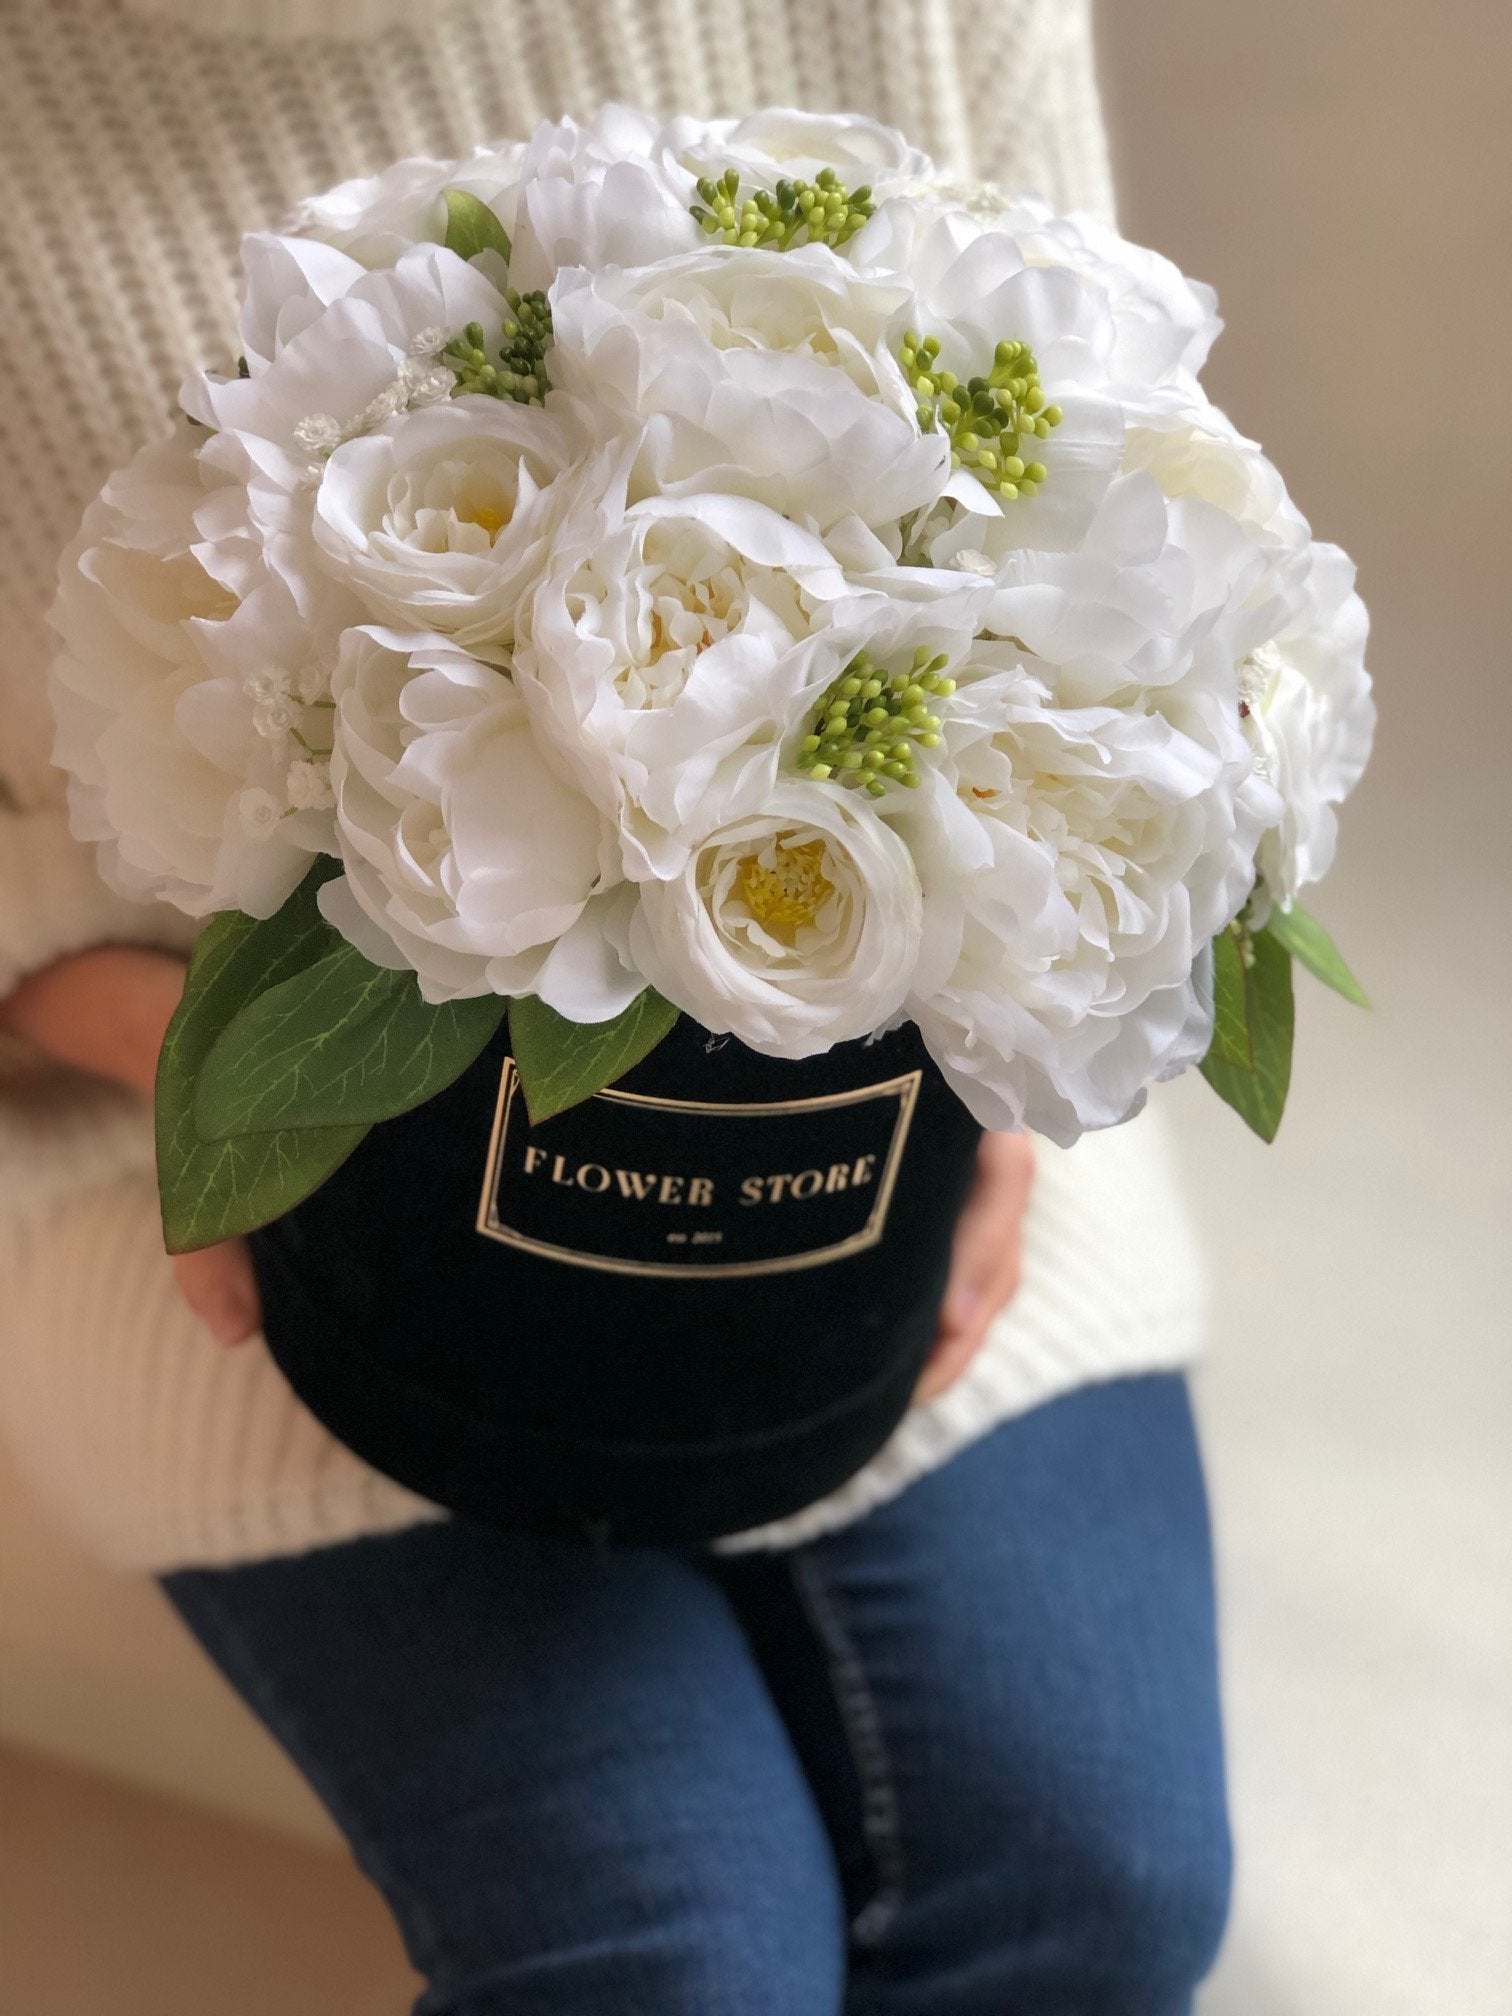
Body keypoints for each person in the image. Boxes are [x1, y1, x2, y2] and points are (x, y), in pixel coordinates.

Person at [0, 2, 1230, 2009]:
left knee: (1092, 1890)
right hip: (224, 1177)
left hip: (880, 1122)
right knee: (663, 1966)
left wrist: (1008, 1022)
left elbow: (1125, 543)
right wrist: (210, 1072)